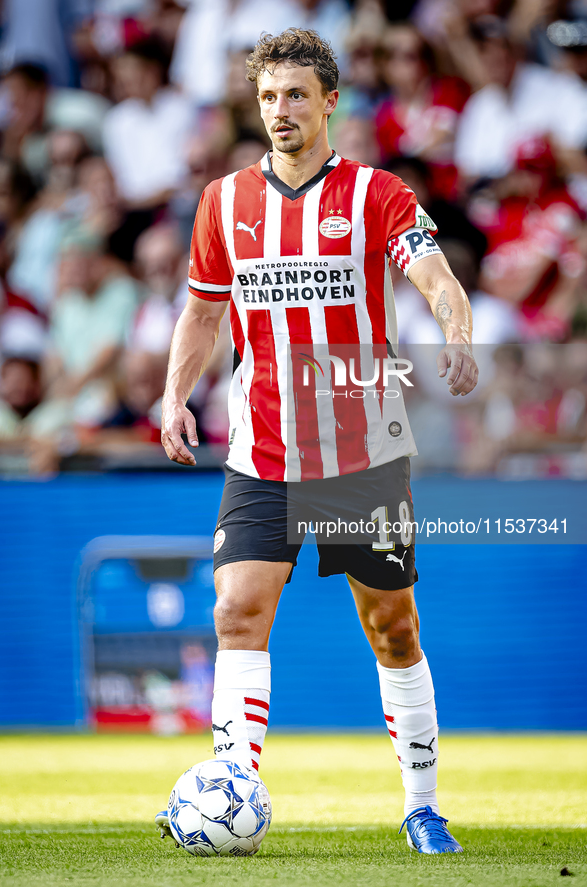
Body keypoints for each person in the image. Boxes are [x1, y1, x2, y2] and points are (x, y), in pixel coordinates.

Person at [158, 28, 478, 854]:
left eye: (296, 94)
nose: (281, 111)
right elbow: (200, 311)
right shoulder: (223, 203)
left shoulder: (375, 194)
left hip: (362, 454)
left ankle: (421, 804)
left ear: (330, 100)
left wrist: (455, 327)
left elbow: (432, 272)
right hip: (262, 451)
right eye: (268, 97)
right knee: (236, 608)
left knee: (393, 628)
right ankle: (233, 785)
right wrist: (174, 395)